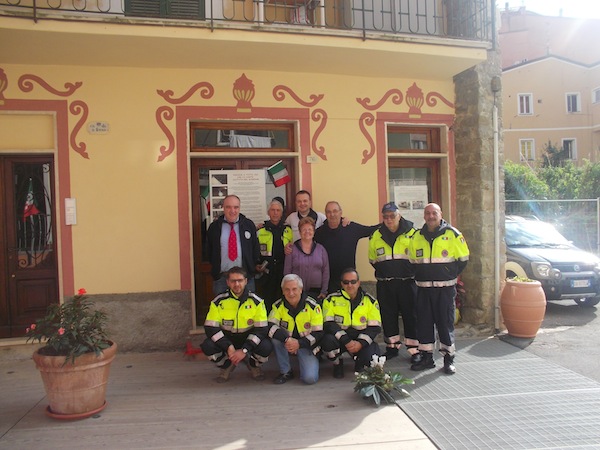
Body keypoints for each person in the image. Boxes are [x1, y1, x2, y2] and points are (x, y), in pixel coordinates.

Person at [408, 203, 469, 375]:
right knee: (424, 324)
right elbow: (412, 261)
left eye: (434, 213)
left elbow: (463, 259)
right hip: (424, 290)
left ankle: (448, 359)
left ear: (440, 214)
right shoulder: (417, 236)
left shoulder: (452, 234)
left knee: (445, 323)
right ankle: (427, 358)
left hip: (445, 290)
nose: (431, 216)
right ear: (424, 216)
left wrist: (449, 275)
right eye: (427, 213)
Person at [200, 266, 273, 383]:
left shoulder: (257, 302)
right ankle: (227, 366)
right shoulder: (218, 302)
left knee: (266, 346)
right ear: (228, 283)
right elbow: (210, 328)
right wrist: (228, 346)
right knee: (207, 346)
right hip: (227, 338)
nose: (237, 284)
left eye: (240, 280)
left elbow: (261, 330)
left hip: (248, 338)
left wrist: (244, 350)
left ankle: (253, 365)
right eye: (233, 281)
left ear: (246, 281)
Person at [368, 202, 420, 362]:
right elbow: (373, 259)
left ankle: (414, 349)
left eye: (392, 216)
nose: (389, 219)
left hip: (407, 282)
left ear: (399, 215)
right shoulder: (376, 235)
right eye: (385, 217)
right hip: (386, 283)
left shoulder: (412, 233)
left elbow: (418, 257)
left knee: (411, 315)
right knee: (388, 315)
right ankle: (392, 347)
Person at [321, 269, 382, 378]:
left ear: (359, 282)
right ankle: (337, 364)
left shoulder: (370, 301)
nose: (350, 285)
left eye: (353, 282)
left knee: (372, 357)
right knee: (327, 342)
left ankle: (360, 362)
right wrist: (346, 340)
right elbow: (328, 324)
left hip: (360, 338)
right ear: (341, 284)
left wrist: (360, 343)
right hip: (340, 338)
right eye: (346, 282)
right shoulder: (331, 299)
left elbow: (375, 328)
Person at [268, 274, 323, 385]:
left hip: (307, 345)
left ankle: (309, 360)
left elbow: (319, 333)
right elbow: (269, 325)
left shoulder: (313, 306)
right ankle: (286, 371)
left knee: (310, 379)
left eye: (294, 289)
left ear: (301, 290)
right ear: (283, 291)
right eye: (287, 290)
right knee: (275, 338)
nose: (291, 293)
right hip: (286, 342)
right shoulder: (278, 306)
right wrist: (287, 340)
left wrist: (299, 343)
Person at [315, 201, 378, 293]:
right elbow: (306, 242)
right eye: (329, 212)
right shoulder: (319, 233)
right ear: (325, 214)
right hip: (328, 281)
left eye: (335, 211)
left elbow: (370, 230)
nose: (332, 214)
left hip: (349, 281)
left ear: (341, 212)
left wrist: (389, 223)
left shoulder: (351, 228)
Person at [206, 195, 261, 295]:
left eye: (236, 207)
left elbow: (255, 248)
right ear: (223, 208)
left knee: (247, 308)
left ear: (239, 208)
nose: (232, 211)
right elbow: (209, 250)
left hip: (245, 278)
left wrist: (251, 268)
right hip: (222, 278)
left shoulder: (248, 225)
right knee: (222, 308)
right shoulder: (214, 227)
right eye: (228, 207)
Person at [255, 197, 293, 310]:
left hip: (284, 271)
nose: (275, 213)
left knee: (283, 301)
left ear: (282, 213)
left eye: (278, 210)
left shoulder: (288, 230)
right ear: (268, 212)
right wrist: (256, 264)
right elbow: (254, 251)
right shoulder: (260, 230)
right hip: (267, 272)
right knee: (267, 301)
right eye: (273, 210)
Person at [284, 217, 329, 301]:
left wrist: (324, 291)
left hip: (317, 293)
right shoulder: (292, 249)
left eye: (310, 229)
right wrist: (288, 290)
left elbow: (326, 271)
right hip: (296, 292)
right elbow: (287, 272)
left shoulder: (321, 249)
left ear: (314, 231)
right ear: (300, 232)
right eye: (304, 229)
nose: (307, 232)